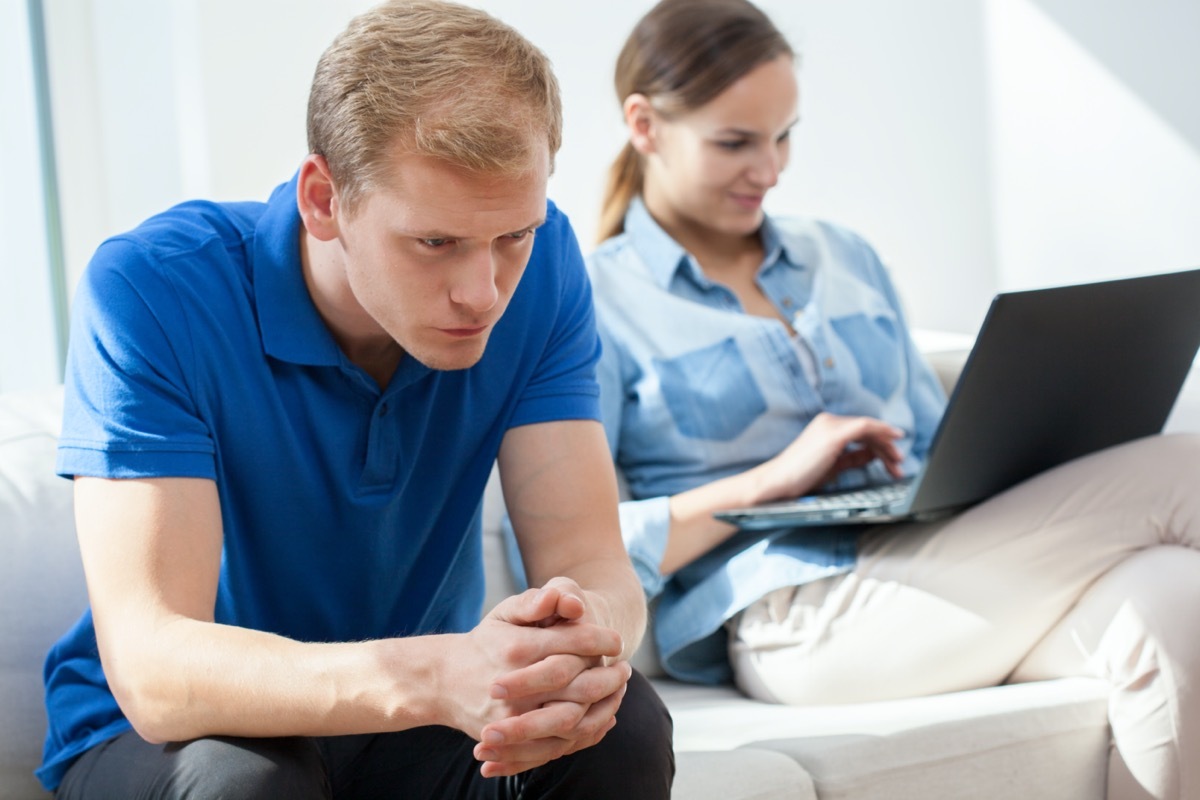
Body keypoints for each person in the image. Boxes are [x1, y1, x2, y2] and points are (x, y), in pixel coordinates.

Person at [37, 2, 675, 798]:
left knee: (626, 727)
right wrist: (439, 673)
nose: (484, 294)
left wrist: (582, 639)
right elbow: (157, 671)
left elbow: (591, 562)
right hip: (178, 733)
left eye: (513, 235)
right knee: (246, 781)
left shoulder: (545, 268)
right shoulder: (152, 291)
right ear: (323, 199)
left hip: (408, 723)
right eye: (434, 243)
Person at [588, 1, 1200, 798]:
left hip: (942, 568)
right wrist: (767, 481)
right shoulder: (598, 301)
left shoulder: (843, 256)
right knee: (1184, 466)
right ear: (645, 124)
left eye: (784, 135)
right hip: (794, 617)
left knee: (1172, 597)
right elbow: (590, 549)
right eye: (735, 142)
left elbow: (946, 443)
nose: (770, 168)